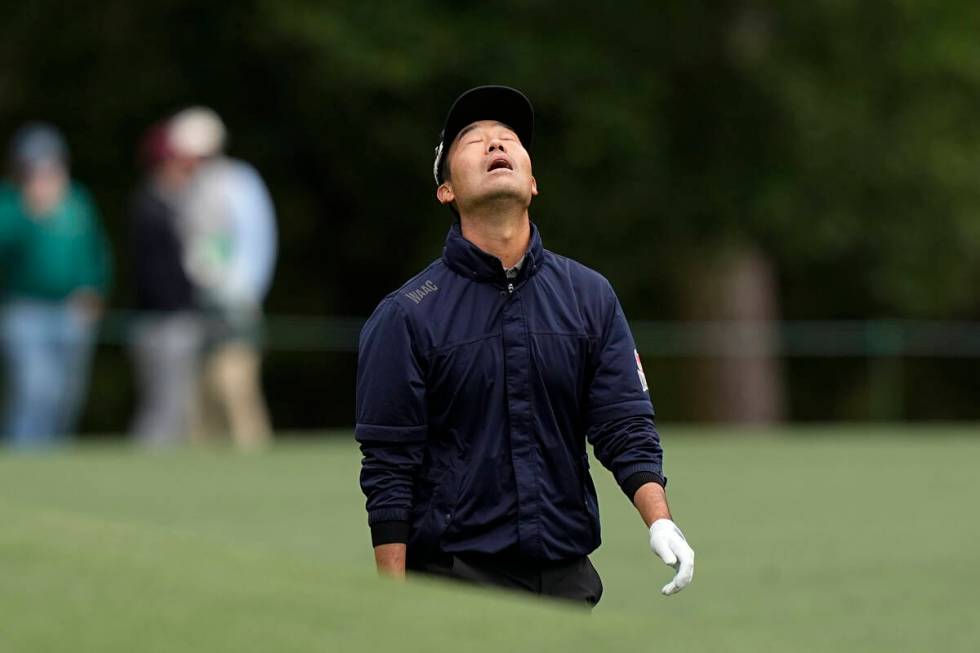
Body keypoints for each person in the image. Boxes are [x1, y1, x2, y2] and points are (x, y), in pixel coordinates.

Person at [355, 86, 694, 607]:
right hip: (454, 583)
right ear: (446, 189)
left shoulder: (589, 296)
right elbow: (389, 470)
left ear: (532, 182)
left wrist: (660, 520)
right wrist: (394, 608)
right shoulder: (407, 314)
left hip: (567, 580)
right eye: (474, 141)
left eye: (508, 139)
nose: (495, 146)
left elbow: (622, 423)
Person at [169, 107, 277, 450]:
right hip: (201, 300)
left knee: (236, 384)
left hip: (236, 300)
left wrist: (246, 291)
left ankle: (253, 452)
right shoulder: (194, 188)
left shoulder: (239, 182)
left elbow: (258, 240)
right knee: (202, 391)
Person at [0, 123, 111, 447]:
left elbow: (96, 252)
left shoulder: (77, 200)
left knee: (66, 393)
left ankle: (55, 457)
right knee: (34, 388)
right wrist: (30, 215)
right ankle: (23, 455)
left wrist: (94, 289)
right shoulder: (10, 204)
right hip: (24, 309)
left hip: (71, 311)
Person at [128, 121, 203, 446]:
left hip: (177, 319)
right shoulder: (149, 208)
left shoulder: (176, 206)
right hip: (161, 322)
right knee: (162, 407)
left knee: (175, 408)